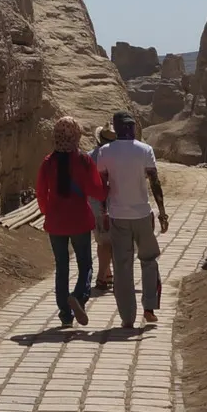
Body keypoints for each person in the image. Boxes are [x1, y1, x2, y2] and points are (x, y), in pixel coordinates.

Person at [95, 109, 169, 331]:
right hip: (143, 215)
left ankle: (127, 317)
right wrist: (162, 212)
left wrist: (103, 211)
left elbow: (102, 185)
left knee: (123, 267)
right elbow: (155, 182)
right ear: (133, 127)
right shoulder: (145, 150)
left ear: (116, 128)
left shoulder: (105, 152)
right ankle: (149, 307)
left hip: (118, 216)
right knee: (149, 260)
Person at [34, 117, 105, 331]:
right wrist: (108, 190)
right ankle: (78, 297)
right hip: (80, 220)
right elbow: (96, 190)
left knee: (61, 267)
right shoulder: (83, 161)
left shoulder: (48, 162)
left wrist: (48, 213)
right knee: (85, 264)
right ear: (76, 136)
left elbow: (40, 193)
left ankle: (65, 314)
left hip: (56, 222)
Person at [92, 123, 117, 295]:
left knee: (102, 241)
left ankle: (106, 274)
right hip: (115, 204)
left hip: (95, 204)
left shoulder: (90, 157)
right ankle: (103, 276)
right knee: (111, 242)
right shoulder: (117, 158)